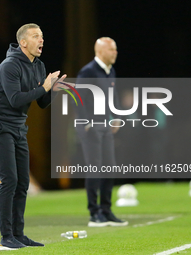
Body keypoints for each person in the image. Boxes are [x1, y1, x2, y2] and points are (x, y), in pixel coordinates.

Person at [0, 23, 67, 250]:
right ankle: (5, 237)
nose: (41, 40)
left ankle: (18, 234)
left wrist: (54, 89)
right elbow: (16, 100)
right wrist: (45, 87)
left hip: (19, 128)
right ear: (23, 42)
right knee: (9, 181)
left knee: (23, 182)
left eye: (42, 36)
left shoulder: (39, 66)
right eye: (35, 36)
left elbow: (41, 103)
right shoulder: (9, 66)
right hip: (0, 127)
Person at [76, 37, 128, 227]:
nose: (115, 52)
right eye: (112, 50)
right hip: (90, 127)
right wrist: (86, 122)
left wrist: (116, 116)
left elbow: (111, 97)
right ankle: (94, 213)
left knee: (109, 166)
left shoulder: (110, 71)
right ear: (100, 51)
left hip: (105, 126)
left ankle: (106, 210)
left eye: (115, 49)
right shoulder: (88, 71)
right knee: (95, 167)